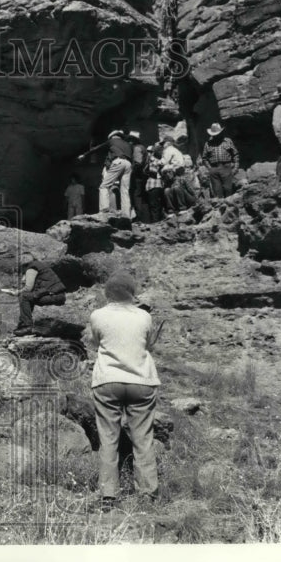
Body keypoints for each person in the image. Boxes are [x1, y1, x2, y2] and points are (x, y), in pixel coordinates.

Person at [88, 273, 161, 510]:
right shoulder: (144, 316)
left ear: (108, 293)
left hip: (108, 381)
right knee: (143, 437)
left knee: (108, 438)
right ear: (132, 293)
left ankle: (108, 495)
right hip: (141, 380)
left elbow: (93, 341)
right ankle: (147, 494)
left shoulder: (97, 315)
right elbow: (149, 345)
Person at [13, 252, 67, 336]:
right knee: (28, 297)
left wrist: (16, 292)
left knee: (24, 296)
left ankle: (27, 326)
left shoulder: (31, 268)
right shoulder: (38, 265)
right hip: (57, 294)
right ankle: (23, 325)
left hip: (54, 295)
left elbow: (28, 288)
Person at [96, 131, 133, 217]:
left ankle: (104, 210)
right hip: (128, 164)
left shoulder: (112, 141)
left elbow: (98, 148)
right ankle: (126, 214)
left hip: (118, 162)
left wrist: (84, 155)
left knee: (104, 186)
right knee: (125, 190)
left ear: (112, 136)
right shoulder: (128, 144)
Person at [200, 123, 240, 198]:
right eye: (214, 134)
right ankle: (220, 206)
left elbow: (235, 154)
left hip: (226, 167)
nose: (215, 136)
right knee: (217, 191)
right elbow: (204, 158)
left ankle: (230, 206)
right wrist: (210, 169)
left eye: (217, 134)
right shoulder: (208, 144)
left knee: (228, 189)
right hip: (214, 168)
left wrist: (236, 167)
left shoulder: (227, 141)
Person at [128, 131, 148, 223]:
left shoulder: (137, 148)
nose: (129, 142)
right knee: (139, 195)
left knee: (136, 195)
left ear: (133, 140)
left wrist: (131, 173)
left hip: (137, 175)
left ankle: (138, 216)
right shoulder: (143, 147)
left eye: (130, 140)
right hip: (142, 175)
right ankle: (140, 216)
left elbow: (138, 163)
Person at [144, 145, 166, 223]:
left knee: (154, 205)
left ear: (153, 153)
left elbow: (153, 171)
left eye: (150, 152)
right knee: (155, 205)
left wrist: (146, 171)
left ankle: (155, 222)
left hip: (154, 185)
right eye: (147, 152)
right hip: (155, 185)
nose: (148, 153)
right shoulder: (153, 161)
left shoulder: (153, 161)